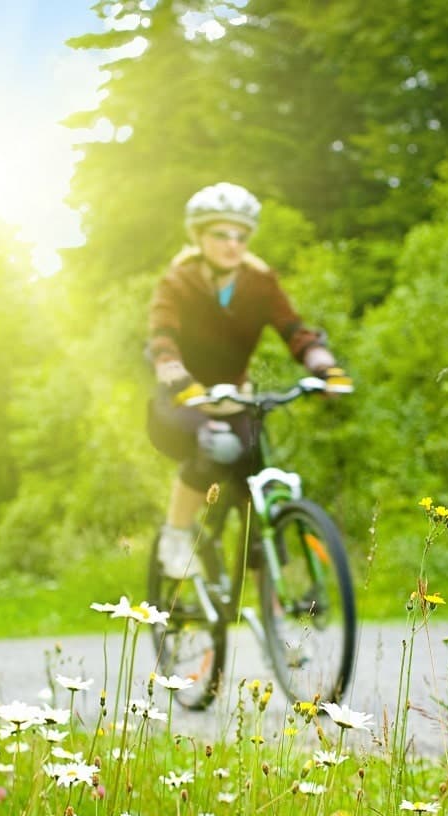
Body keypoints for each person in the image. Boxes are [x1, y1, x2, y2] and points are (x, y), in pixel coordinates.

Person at [145, 182, 350, 579]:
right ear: (200, 236)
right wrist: (177, 377)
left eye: (240, 236)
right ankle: (176, 533)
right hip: (182, 397)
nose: (232, 244)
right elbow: (163, 338)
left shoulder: (260, 283)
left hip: (233, 396)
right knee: (216, 445)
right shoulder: (178, 282)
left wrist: (325, 368)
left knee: (258, 483)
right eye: (221, 234)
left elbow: (295, 331)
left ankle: (273, 608)